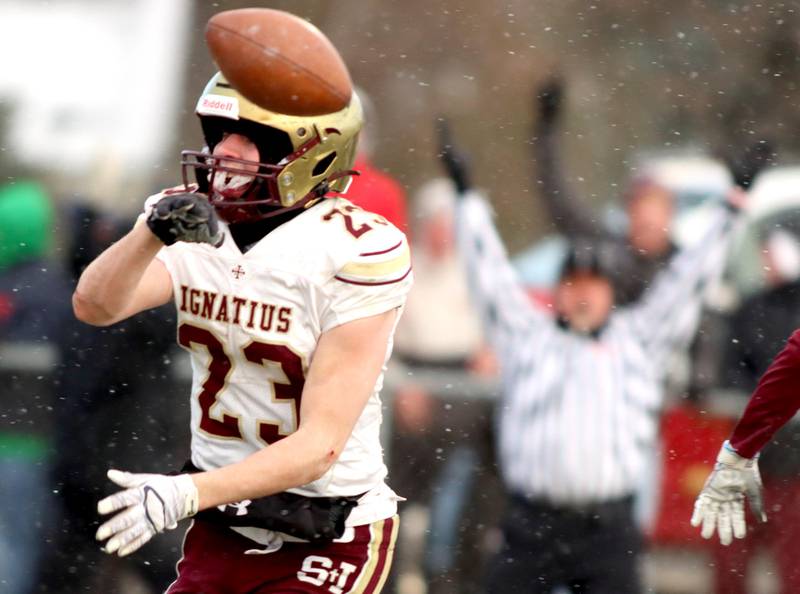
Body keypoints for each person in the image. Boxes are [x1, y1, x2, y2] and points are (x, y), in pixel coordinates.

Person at [71, 15, 413, 593]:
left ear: (311, 153)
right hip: (227, 523)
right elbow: (96, 306)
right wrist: (148, 234)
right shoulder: (190, 220)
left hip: (329, 531)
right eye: (219, 133)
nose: (224, 152)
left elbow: (318, 447)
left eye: (252, 138)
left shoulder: (356, 250)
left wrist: (187, 492)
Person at [439, 127, 744, 593]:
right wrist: (466, 198)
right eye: (573, 282)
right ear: (559, 290)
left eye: (593, 284)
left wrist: (734, 202)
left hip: (607, 528)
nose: (582, 294)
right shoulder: (526, 335)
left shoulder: (639, 339)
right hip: (531, 523)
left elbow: (689, 279)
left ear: (609, 293)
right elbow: (490, 272)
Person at [705, 228, 800, 593]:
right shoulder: (751, 309)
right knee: (730, 565)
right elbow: (731, 372)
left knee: (793, 568)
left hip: (793, 469)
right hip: (748, 462)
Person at [0, 180, 72, 594]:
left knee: (13, 543)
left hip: (25, 442)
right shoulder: (55, 287)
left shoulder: (38, 290)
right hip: (31, 439)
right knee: (16, 541)